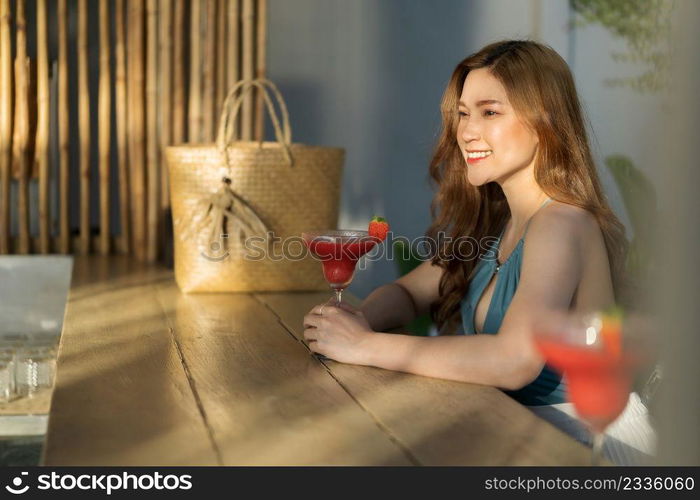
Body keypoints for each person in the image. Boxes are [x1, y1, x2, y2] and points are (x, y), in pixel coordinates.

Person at [303, 40, 652, 463]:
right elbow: (409, 293)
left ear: (547, 121)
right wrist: (357, 319)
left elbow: (514, 362)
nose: (466, 131)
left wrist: (362, 346)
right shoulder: (497, 226)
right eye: (463, 114)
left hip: (587, 447)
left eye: (490, 112)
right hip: (517, 431)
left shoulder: (562, 223)